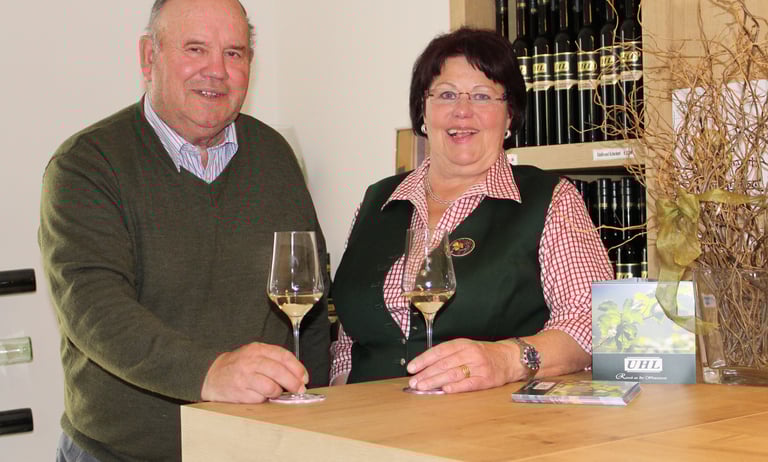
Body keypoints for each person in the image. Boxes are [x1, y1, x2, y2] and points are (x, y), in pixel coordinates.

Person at [39, 0, 329, 460]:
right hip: (121, 453)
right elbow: (94, 309)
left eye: (233, 53)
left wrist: (317, 416)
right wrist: (208, 372)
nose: (216, 70)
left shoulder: (274, 155)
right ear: (148, 57)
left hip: (256, 448)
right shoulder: (87, 165)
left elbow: (309, 299)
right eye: (195, 49)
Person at [330, 27, 613, 392]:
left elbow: (594, 324)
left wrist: (505, 360)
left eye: (482, 96)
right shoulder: (376, 201)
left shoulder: (552, 200)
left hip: (490, 420)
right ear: (423, 110)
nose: (462, 112)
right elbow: (348, 343)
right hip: (368, 420)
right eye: (447, 94)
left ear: (509, 115)